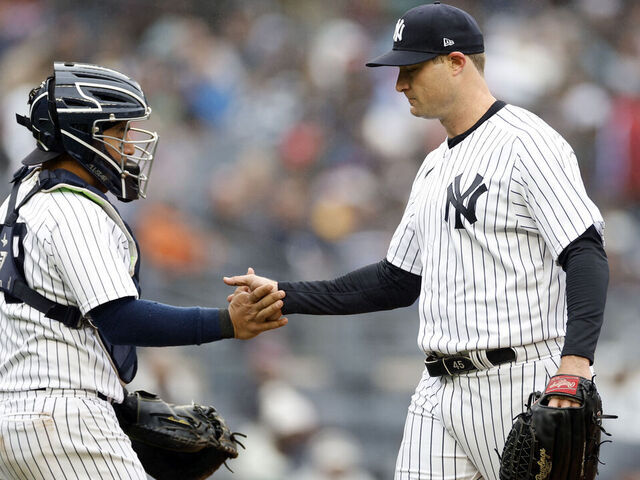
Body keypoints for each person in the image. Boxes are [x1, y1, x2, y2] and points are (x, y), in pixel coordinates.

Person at [224, 3, 609, 480]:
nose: (400, 83)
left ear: (457, 62)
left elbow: (585, 251)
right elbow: (395, 281)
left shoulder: (528, 142)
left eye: (411, 68)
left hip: (522, 379)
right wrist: (287, 294)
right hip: (438, 390)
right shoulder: (432, 167)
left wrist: (576, 361)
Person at [0, 62, 288, 479]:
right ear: (86, 135)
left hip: (17, 416)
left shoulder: (17, 203)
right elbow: (119, 318)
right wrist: (227, 322)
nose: (131, 147)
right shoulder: (73, 208)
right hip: (64, 420)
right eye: (121, 132)